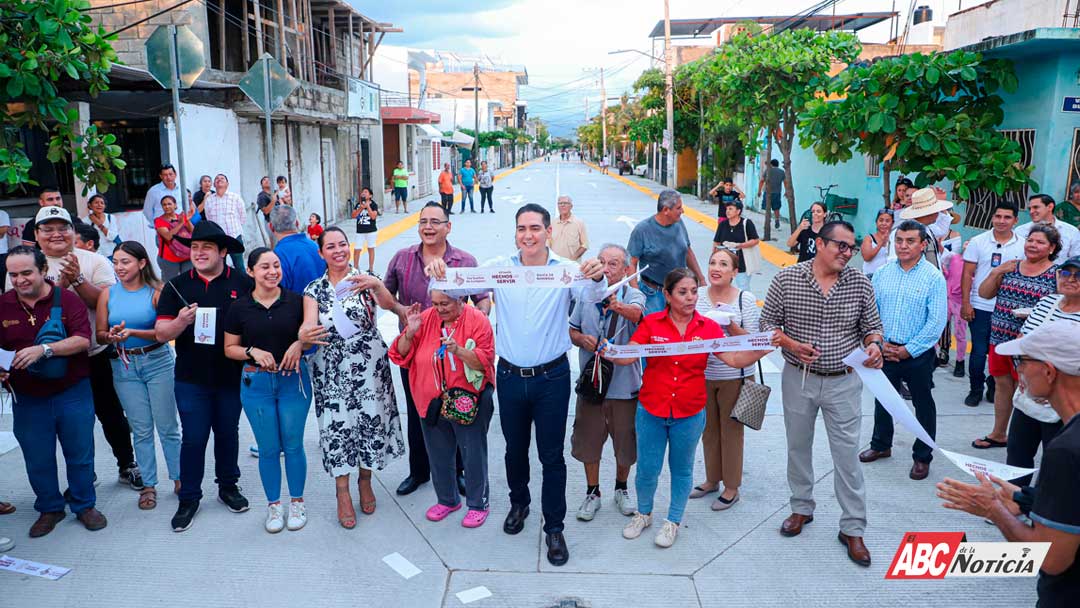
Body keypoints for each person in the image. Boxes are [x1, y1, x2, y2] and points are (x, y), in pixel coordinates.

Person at [423, 203, 608, 567]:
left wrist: (598, 276)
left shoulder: (568, 271)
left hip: (552, 378)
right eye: (522, 228)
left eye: (535, 228)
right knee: (514, 450)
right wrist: (438, 271)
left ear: (548, 232)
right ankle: (519, 504)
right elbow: (452, 285)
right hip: (509, 377)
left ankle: (554, 527)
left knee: (551, 457)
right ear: (516, 233)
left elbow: (595, 298)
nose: (528, 235)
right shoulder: (500, 269)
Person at [607, 268, 767, 548]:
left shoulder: (708, 328)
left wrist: (764, 347)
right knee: (647, 469)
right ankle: (643, 514)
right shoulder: (651, 323)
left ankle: (673, 522)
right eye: (682, 292)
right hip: (652, 410)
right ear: (667, 296)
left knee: (681, 470)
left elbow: (733, 359)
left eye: (694, 291)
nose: (691, 297)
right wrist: (610, 352)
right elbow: (628, 355)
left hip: (689, 412)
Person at [760, 220, 885, 567]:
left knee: (847, 456)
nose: (848, 252)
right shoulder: (787, 279)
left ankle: (853, 527)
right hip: (798, 379)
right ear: (818, 243)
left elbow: (872, 327)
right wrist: (790, 343)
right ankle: (801, 508)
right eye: (840, 246)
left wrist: (874, 346)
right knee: (798, 447)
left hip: (844, 381)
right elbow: (766, 324)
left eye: (851, 247)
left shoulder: (859, 282)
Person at [936, 320, 1080, 607]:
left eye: (1022, 361)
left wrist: (995, 510)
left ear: (1049, 371)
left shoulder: (1065, 451)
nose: (1019, 371)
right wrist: (1022, 497)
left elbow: (1051, 559)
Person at [15, 206, 143, 490]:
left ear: (74, 231)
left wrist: (78, 281)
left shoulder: (94, 261)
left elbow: (108, 305)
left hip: (93, 353)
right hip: (49, 358)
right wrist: (57, 289)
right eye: (47, 229)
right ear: (36, 234)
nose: (56, 234)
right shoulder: (26, 266)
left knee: (110, 413)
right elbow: (21, 310)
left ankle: (127, 463)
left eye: (63, 228)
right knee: (69, 423)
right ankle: (84, 475)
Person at [300, 227, 404, 529]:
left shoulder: (365, 279)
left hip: (369, 368)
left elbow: (389, 305)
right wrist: (303, 335)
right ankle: (342, 491)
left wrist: (376, 284)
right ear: (321, 253)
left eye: (342, 244)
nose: (338, 250)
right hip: (331, 371)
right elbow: (307, 325)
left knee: (369, 425)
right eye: (330, 246)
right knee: (338, 431)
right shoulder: (313, 290)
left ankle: (365, 480)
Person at [155, 220, 254, 532]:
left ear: (223, 251)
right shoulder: (176, 286)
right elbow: (160, 333)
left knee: (228, 433)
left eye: (206, 248)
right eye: (195, 248)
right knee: (194, 438)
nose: (198, 253)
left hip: (231, 376)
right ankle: (189, 497)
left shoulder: (243, 283)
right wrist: (181, 322)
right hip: (190, 377)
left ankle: (228, 486)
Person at [384, 202, 488, 497]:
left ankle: (458, 472)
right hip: (416, 353)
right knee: (420, 414)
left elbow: (482, 299)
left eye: (435, 222)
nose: (428, 227)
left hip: (455, 355)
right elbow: (385, 295)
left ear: (448, 226)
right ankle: (418, 472)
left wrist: (478, 324)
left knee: (456, 410)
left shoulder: (465, 261)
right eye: (423, 222)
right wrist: (402, 310)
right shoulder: (402, 259)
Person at [0, 246, 104, 537]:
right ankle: (49, 508)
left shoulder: (67, 299)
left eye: (26, 273)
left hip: (72, 391)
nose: (19, 280)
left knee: (80, 452)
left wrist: (45, 349)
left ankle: (85, 506)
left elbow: (83, 340)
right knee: (37, 457)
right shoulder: (3, 305)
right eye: (13, 274)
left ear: (44, 270)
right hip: (28, 397)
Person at [390, 288, 496, 528]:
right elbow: (399, 354)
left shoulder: (477, 319)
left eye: (445, 303)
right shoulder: (427, 318)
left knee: (472, 453)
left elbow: (485, 360)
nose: (440, 309)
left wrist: (458, 351)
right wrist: (411, 332)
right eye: (436, 303)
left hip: (468, 400)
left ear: (460, 299)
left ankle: (478, 504)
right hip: (431, 398)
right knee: (438, 453)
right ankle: (447, 500)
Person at [224, 248, 311, 534]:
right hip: (256, 384)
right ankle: (274, 505)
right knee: (269, 448)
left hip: (292, 381)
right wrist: (252, 351)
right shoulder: (239, 307)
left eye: (276, 266)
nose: (272, 272)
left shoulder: (296, 302)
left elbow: (311, 339)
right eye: (264, 267)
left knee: (294, 444)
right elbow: (230, 349)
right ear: (251, 272)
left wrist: (300, 345)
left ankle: (297, 501)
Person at [859, 221, 948, 480]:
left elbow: (936, 322)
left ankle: (922, 456)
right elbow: (870, 311)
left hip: (917, 355)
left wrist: (909, 350)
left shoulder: (933, 277)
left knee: (923, 404)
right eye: (899, 240)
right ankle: (881, 444)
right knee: (883, 399)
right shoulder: (883, 273)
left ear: (923, 245)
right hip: (884, 350)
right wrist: (876, 342)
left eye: (910, 241)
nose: (903, 246)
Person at [96, 241, 180, 510]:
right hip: (124, 365)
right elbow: (99, 333)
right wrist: (110, 336)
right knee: (141, 429)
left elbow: (163, 332)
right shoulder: (107, 294)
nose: (119, 267)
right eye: (116, 262)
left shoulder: (157, 292)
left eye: (125, 262)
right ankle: (149, 485)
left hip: (157, 361)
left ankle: (180, 480)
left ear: (142, 263)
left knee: (168, 426)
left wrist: (132, 333)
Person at [568, 244, 645, 521]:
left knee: (625, 441)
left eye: (613, 264)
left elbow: (638, 315)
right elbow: (572, 330)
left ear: (626, 269)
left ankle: (621, 488)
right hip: (592, 384)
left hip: (624, 386)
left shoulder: (634, 294)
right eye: (602, 261)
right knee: (588, 439)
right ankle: (593, 491)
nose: (606, 268)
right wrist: (582, 339)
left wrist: (617, 305)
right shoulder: (585, 292)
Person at [972, 224, 1060, 450]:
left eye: (1040, 242)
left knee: (1031, 389)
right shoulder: (1010, 267)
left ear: (1051, 248)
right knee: (1002, 384)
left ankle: (1027, 442)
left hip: (1033, 344)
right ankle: (999, 433)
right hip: (1001, 337)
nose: (1033, 245)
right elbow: (984, 293)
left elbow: (1061, 307)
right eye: (1030, 240)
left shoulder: (1057, 274)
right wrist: (996, 272)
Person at [689, 249, 758, 510]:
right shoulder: (698, 297)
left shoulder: (744, 299)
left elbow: (753, 340)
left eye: (724, 264)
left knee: (731, 432)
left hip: (735, 376)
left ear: (735, 272)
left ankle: (731, 486)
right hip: (703, 374)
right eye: (712, 262)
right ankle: (711, 479)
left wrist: (730, 324)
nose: (716, 268)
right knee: (708, 430)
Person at [1005, 256, 1080, 485]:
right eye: (1065, 273)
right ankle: (1013, 502)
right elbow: (1023, 339)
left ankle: (1046, 510)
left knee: (1055, 458)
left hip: (1060, 402)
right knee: (1017, 453)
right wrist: (1022, 374)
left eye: (1078, 275)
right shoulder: (1047, 303)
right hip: (1029, 393)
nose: (1071, 279)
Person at [961, 201, 1024, 407]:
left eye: (1007, 217)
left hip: (1010, 309)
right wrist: (966, 303)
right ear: (992, 218)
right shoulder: (978, 242)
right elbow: (968, 274)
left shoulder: (1023, 245)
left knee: (1001, 352)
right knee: (979, 351)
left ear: (1015, 220)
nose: (1001, 221)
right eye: (998, 216)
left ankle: (994, 386)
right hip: (981, 306)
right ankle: (975, 389)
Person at [628, 190, 705, 314]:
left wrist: (701, 279)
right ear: (666, 210)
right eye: (678, 208)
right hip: (653, 295)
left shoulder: (679, 223)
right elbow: (631, 263)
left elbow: (687, 251)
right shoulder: (642, 230)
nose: (682, 211)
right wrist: (636, 294)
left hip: (679, 293)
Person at [271, 205, 326, 294]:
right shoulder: (315, 246)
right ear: (297, 223)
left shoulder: (278, 255)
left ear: (271, 227)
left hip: (297, 305)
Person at [202, 174, 248, 274]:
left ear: (227, 184)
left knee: (239, 266)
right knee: (219, 267)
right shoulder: (209, 200)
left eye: (222, 178)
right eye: (217, 178)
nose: (219, 180)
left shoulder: (235, 198)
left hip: (234, 236)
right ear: (214, 184)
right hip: (218, 239)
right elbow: (209, 218)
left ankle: (244, 288)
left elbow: (243, 217)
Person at [711, 200, 760, 291]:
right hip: (724, 263)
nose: (727, 211)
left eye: (730, 209)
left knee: (742, 287)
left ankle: (743, 304)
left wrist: (739, 245)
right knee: (723, 287)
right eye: (727, 209)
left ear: (738, 211)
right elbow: (716, 242)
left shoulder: (746, 223)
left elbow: (755, 240)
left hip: (742, 262)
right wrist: (713, 259)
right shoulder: (723, 225)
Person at [1016, 194, 1080, 259]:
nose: (1031, 211)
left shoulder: (1071, 231)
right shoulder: (1020, 230)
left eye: (1036, 207)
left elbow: (1075, 259)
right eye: (1029, 208)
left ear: (1050, 207)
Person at [942, 238, 969, 378]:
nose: (967, 245)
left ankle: (960, 362)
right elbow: (948, 275)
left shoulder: (974, 264)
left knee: (960, 334)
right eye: (966, 242)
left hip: (961, 302)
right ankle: (934, 357)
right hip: (947, 299)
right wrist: (943, 269)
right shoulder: (954, 258)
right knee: (938, 328)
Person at [154, 195, 194, 282]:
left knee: (188, 282)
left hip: (187, 256)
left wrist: (187, 220)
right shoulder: (159, 220)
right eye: (164, 205)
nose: (167, 206)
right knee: (170, 284)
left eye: (169, 204)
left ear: (175, 205)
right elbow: (168, 236)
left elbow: (193, 231)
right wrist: (180, 224)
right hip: (169, 258)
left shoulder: (181, 217)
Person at [550, 196, 590, 262]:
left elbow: (585, 245)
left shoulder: (579, 223)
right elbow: (547, 245)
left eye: (565, 203)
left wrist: (572, 259)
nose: (562, 205)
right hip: (555, 264)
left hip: (572, 265)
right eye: (560, 203)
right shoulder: (552, 223)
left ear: (571, 206)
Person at [81, 194, 120, 259]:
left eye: (102, 203)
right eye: (96, 202)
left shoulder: (110, 218)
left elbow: (113, 236)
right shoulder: (85, 221)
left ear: (104, 206)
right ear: (90, 205)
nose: (99, 205)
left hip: (111, 253)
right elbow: (85, 239)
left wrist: (98, 223)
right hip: (95, 255)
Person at [351, 187, 379, 273]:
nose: (363, 193)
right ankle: (355, 269)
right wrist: (361, 208)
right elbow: (353, 215)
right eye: (362, 192)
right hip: (360, 231)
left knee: (371, 249)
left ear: (370, 195)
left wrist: (368, 207)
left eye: (366, 192)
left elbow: (373, 216)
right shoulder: (358, 204)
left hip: (371, 230)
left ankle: (371, 268)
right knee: (357, 249)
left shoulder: (374, 205)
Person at [860, 209, 894, 278]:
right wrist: (881, 243)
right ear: (876, 222)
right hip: (870, 276)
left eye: (887, 221)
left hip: (887, 277)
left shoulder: (894, 239)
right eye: (881, 220)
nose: (883, 223)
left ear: (892, 223)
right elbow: (867, 257)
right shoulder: (869, 238)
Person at [763, 159, 785, 229]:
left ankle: (768, 221)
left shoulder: (768, 171)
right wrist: (787, 191)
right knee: (776, 208)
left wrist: (759, 190)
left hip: (767, 192)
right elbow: (785, 182)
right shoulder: (782, 172)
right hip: (777, 193)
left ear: (771, 164)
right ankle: (777, 220)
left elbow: (761, 181)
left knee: (767, 207)